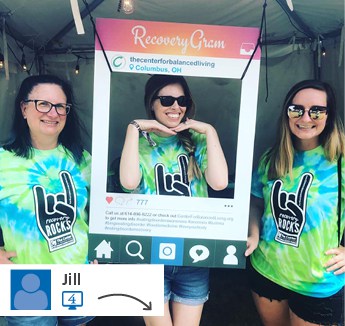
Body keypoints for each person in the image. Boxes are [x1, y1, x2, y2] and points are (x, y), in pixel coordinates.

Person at [119, 74, 228, 326]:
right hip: (148, 255)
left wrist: (209, 131)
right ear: (152, 103)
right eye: (167, 99)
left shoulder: (197, 139)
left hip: (193, 254)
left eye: (182, 100)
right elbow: (128, 182)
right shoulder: (138, 142)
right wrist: (133, 128)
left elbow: (219, 182)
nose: (176, 107)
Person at [245, 79, 345, 325]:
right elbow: (256, 203)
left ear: (329, 115)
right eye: (296, 109)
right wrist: (253, 232)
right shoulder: (271, 158)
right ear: (287, 113)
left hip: (318, 280)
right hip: (267, 270)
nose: (305, 117)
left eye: (316, 110)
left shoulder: (340, 159)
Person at [0, 74, 94, 326]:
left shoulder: (81, 158)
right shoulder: (3, 161)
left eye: (60, 106)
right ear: (23, 108)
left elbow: (100, 213)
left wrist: (99, 251)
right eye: (43, 104)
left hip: (77, 275)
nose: (53, 113)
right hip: (25, 280)